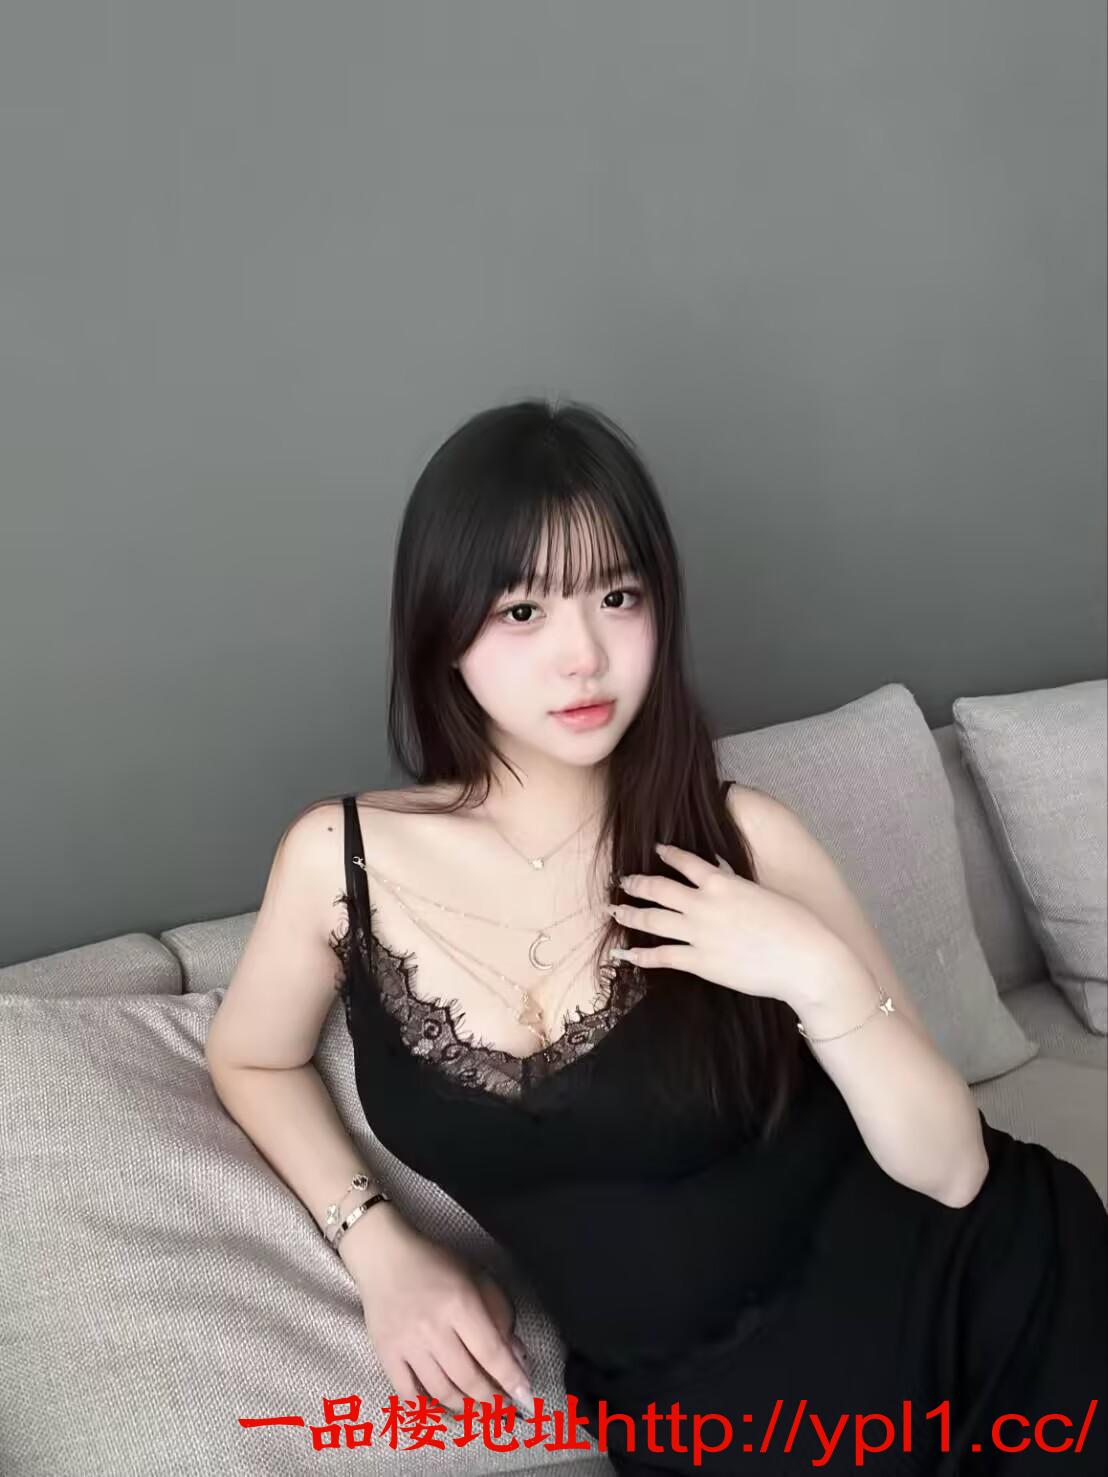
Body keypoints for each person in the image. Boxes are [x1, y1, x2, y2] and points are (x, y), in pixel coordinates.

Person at [207, 398, 1107, 1473]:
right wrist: (376, 1243)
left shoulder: (742, 835)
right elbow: (250, 1056)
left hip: (979, 1307)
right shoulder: (338, 859)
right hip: (698, 1418)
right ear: (442, 627)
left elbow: (953, 1170)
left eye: (617, 596)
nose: (583, 657)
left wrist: (817, 974)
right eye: (523, 609)